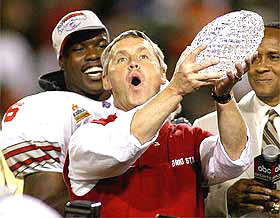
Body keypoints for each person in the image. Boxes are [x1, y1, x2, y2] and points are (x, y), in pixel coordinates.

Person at [63, 30, 255, 217]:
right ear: (106, 81)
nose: (133, 64)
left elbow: (234, 159)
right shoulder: (88, 135)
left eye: (143, 57)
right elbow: (124, 145)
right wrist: (175, 89)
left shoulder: (189, 137)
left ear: (162, 73)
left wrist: (224, 97)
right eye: (121, 59)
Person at [0, 10, 114, 215]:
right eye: (79, 49)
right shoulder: (47, 110)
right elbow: (42, 205)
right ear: (62, 61)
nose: (94, 55)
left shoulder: (134, 102)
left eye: (101, 46)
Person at [193, 22, 280, 217]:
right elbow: (187, 202)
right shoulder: (206, 126)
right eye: (255, 59)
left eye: (274, 57)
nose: (261, 67)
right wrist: (225, 201)